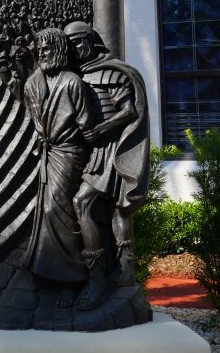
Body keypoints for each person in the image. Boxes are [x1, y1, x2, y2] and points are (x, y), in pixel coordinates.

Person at [64, 21, 150, 310]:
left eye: (79, 42)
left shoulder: (111, 72)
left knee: (83, 203)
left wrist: (100, 129)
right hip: (94, 150)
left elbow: (128, 111)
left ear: (91, 40)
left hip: (111, 148)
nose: (76, 49)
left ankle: (98, 278)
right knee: (114, 209)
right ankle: (124, 272)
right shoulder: (77, 73)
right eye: (71, 45)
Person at [22, 27, 93, 307]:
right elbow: (31, 120)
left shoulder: (73, 82)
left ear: (60, 50)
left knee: (59, 210)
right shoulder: (32, 84)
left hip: (69, 153)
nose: (41, 54)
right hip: (47, 153)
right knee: (45, 212)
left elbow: (86, 124)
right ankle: (48, 275)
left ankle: (72, 280)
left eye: (47, 49)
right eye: (39, 50)